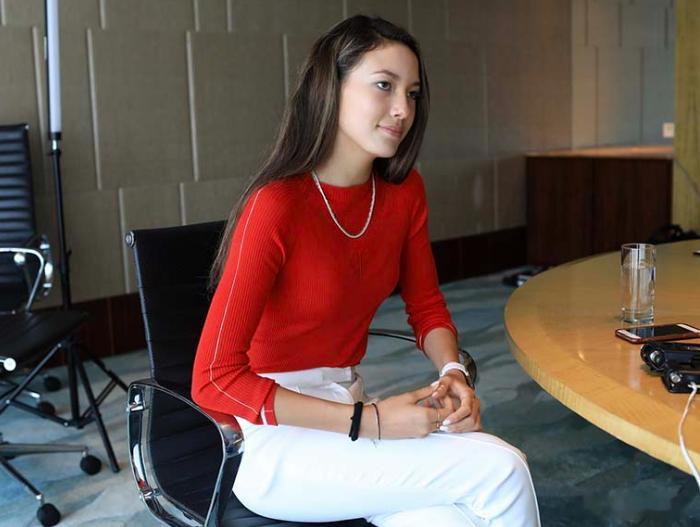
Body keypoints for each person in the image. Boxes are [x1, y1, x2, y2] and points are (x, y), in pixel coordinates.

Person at [192, 14, 540, 527]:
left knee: (452, 519)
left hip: (350, 409)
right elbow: (212, 380)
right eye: (384, 86)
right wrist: (369, 421)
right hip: (280, 444)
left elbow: (426, 306)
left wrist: (453, 373)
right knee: (502, 470)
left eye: (413, 93)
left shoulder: (403, 194)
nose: (403, 109)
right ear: (331, 89)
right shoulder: (277, 205)